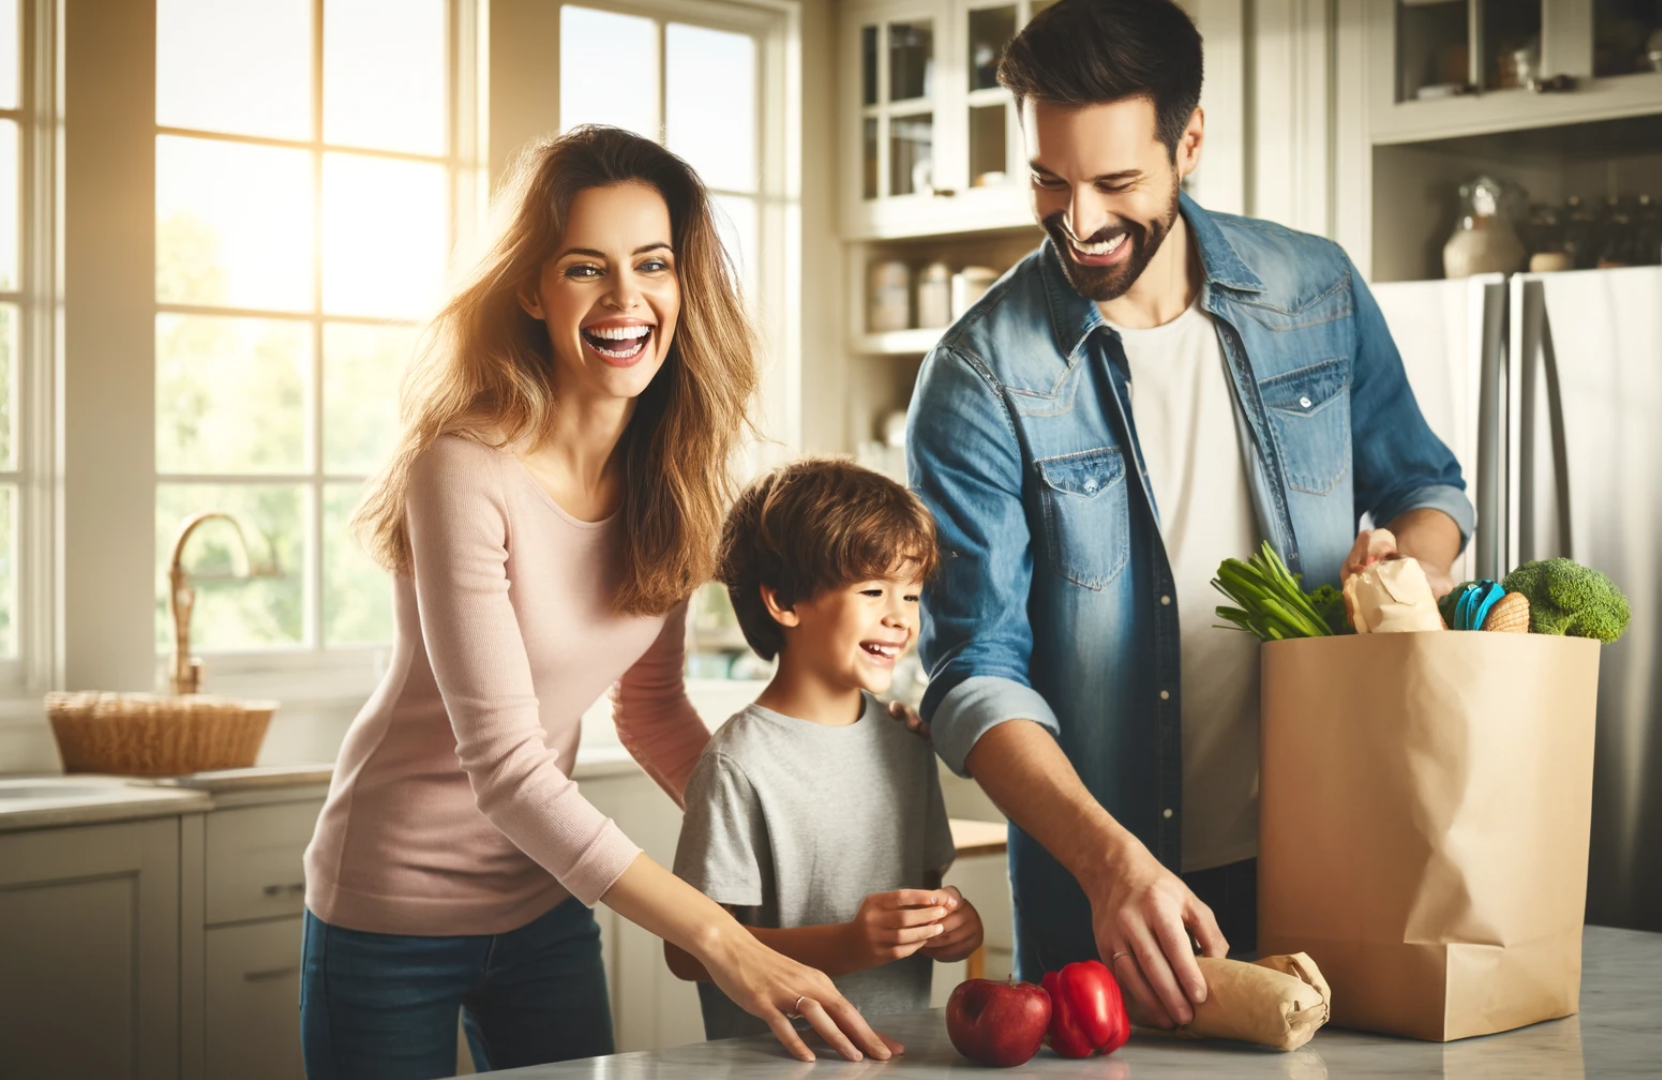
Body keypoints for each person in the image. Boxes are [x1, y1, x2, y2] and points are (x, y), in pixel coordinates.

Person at [904, 0, 1473, 1032]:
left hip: (1339, 860)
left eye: (1117, 183)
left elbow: (1427, 489)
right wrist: (1108, 862)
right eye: (1050, 180)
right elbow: (972, 673)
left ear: (1189, 141)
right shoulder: (981, 374)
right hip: (1116, 905)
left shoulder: (1314, 288)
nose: (1078, 222)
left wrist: (1410, 577)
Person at [299, 126, 897, 1079]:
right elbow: (505, 768)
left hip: (544, 907)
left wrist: (792, 796)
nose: (626, 300)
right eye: (587, 268)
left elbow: (653, 710)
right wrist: (724, 939)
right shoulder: (462, 471)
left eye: (653, 265)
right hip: (390, 909)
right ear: (532, 289)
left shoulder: (672, 478)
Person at [665, 458, 985, 1039]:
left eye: (911, 596)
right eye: (872, 590)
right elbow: (688, 953)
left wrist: (951, 925)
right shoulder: (738, 764)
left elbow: (928, 891)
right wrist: (847, 944)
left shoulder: (909, 747)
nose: (899, 617)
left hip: (900, 1057)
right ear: (784, 602)